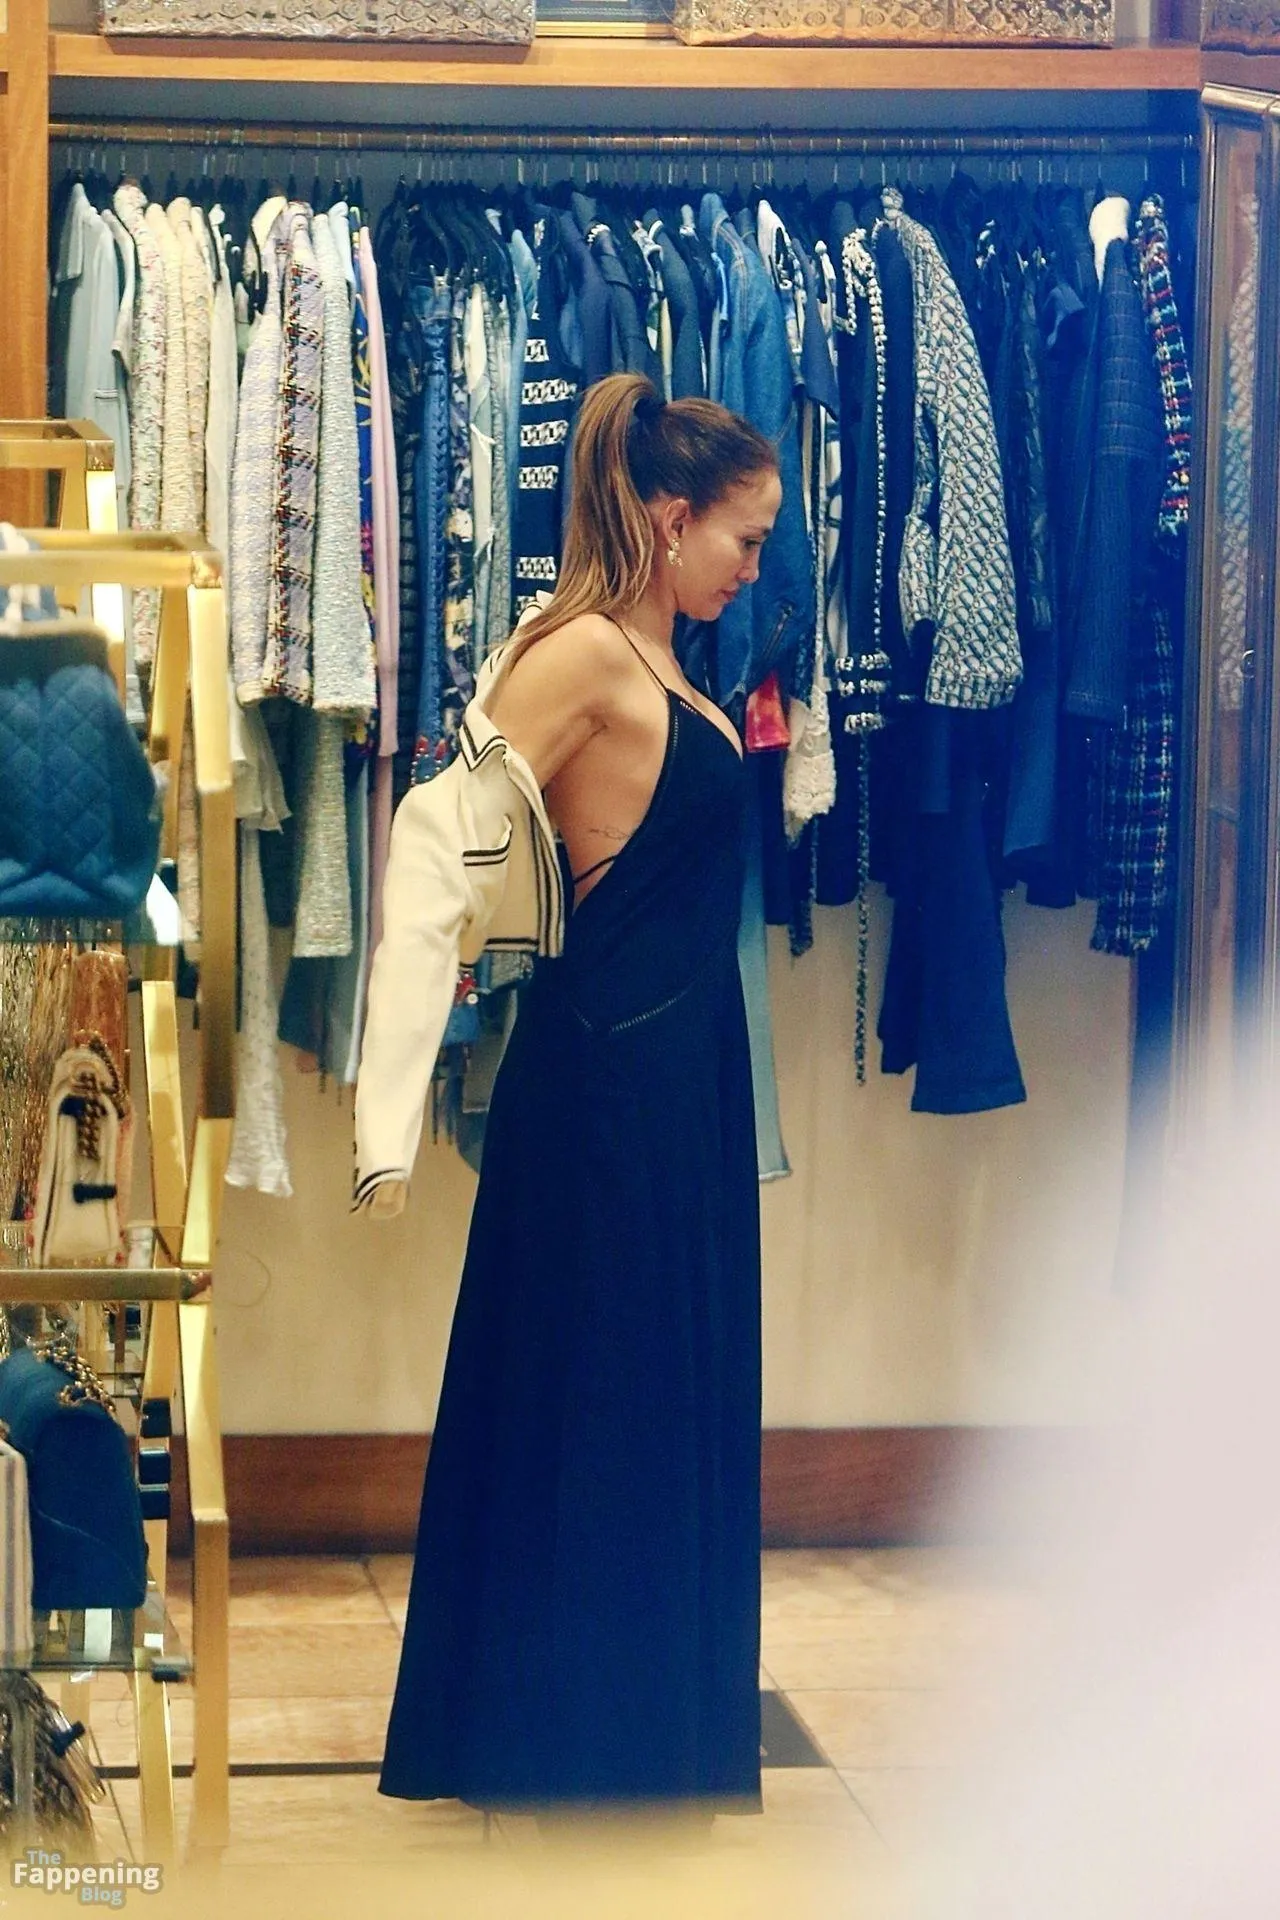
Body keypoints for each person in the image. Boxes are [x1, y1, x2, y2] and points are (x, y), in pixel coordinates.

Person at [355, 371, 782, 1820]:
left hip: (677, 1082)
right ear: (669, 519)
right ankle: (571, 1745)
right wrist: (386, 1112)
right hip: (609, 1086)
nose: (754, 570)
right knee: (599, 1391)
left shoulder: (656, 658)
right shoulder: (579, 656)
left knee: (650, 1390)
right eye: (743, 540)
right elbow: (437, 855)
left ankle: (641, 1741)